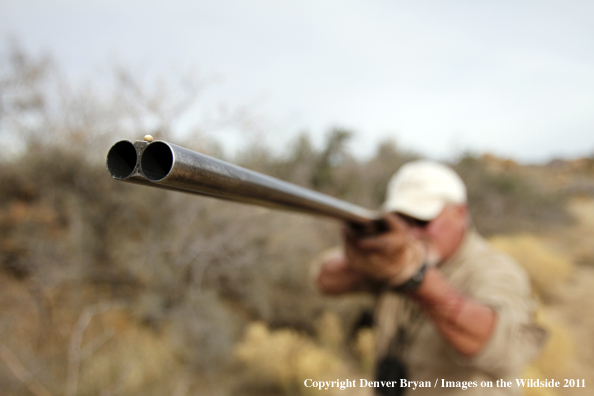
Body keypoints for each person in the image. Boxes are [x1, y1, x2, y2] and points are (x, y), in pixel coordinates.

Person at [314, 160, 546, 396]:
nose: (412, 232)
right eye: (401, 221)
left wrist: (416, 278)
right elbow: (325, 280)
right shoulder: (398, 254)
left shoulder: (495, 268)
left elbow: (500, 346)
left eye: (422, 220)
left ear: (459, 213)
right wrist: (361, 254)